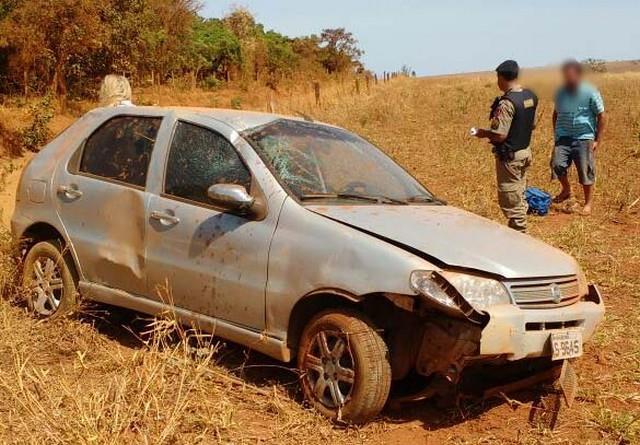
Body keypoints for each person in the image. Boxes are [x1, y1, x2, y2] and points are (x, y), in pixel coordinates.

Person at [473, 60, 538, 232]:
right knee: (519, 193)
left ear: (501, 77)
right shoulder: (530, 96)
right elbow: (532, 124)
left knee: (510, 198)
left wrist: (483, 133)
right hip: (525, 152)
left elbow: (500, 135)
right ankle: (520, 226)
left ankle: (520, 235)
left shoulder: (507, 103)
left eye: (497, 77)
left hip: (511, 157)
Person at [551, 60, 606, 215]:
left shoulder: (590, 91)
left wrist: (596, 140)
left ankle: (588, 203)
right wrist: (556, 134)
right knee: (557, 165)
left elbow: (602, 116)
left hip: (584, 137)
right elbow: (555, 114)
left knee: (585, 170)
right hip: (563, 136)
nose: (569, 80)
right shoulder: (560, 92)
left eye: (572, 76)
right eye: (566, 76)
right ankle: (566, 190)